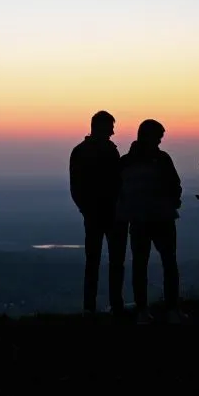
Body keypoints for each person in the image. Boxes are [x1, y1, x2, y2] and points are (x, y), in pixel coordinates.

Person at [117, 119, 183, 324]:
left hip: (140, 220)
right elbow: (175, 186)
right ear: (149, 136)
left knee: (141, 265)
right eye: (159, 137)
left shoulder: (126, 161)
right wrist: (171, 201)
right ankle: (169, 310)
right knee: (168, 263)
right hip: (160, 218)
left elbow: (119, 191)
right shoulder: (162, 160)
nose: (160, 141)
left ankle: (143, 311)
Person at [69, 111, 128, 316]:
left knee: (99, 262)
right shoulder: (88, 152)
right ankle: (105, 305)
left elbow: (76, 187)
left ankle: (95, 306)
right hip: (104, 215)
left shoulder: (88, 151)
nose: (113, 131)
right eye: (110, 126)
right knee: (106, 262)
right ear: (100, 127)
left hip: (107, 215)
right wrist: (88, 210)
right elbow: (77, 187)